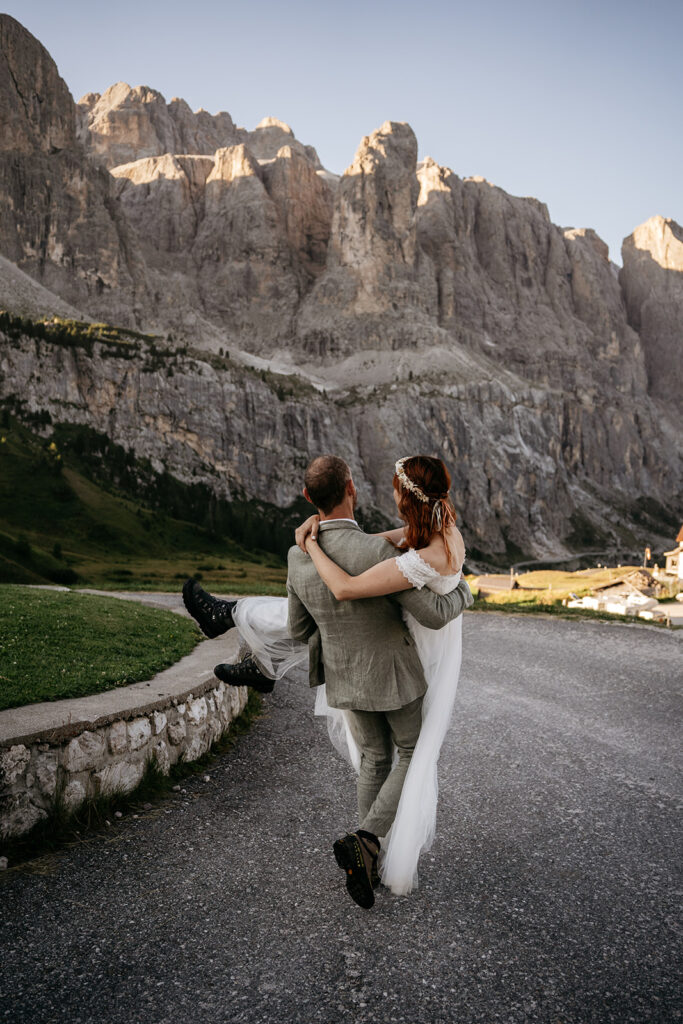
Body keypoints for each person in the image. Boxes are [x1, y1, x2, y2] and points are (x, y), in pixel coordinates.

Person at [182, 454, 472, 907]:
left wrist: (315, 550)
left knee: (375, 758)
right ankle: (367, 840)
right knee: (411, 752)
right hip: (393, 674)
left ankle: (245, 634)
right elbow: (429, 613)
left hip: (343, 674)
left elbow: (299, 631)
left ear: (307, 497)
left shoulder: (300, 557)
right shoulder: (383, 553)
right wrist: (466, 589)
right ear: (352, 488)